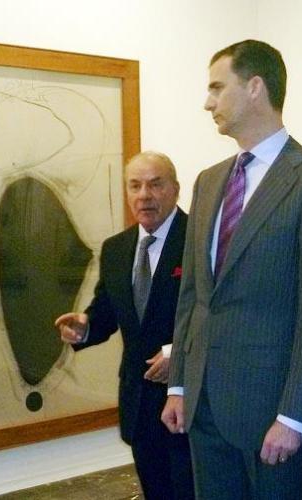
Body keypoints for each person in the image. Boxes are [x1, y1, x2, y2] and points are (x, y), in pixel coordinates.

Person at [160, 39, 302, 500]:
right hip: (204, 405)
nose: (207, 102)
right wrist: (180, 383)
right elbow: (195, 296)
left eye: (216, 88)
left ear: (254, 87)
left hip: (272, 411)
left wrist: (296, 417)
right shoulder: (209, 182)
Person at [54, 151, 194, 500]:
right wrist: (85, 327)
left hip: (190, 404)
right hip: (139, 404)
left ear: (175, 189)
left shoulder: (199, 241)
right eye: (135, 186)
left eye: (155, 184)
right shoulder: (116, 249)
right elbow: (106, 311)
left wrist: (178, 352)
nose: (144, 195)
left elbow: (217, 316)